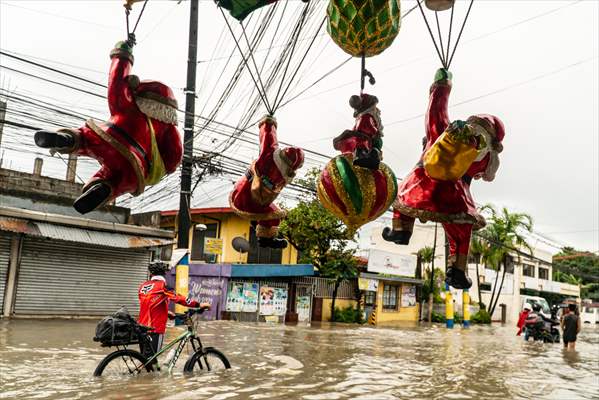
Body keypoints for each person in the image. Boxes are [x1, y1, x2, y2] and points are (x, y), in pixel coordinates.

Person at [138, 261, 210, 361]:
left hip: (141, 328)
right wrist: (198, 304)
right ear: (164, 274)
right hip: (154, 329)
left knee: (144, 359)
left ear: (151, 274)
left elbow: (148, 304)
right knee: (151, 360)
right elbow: (179, 298)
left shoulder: (143, 286)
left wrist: (166, 313)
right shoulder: (163, 286)